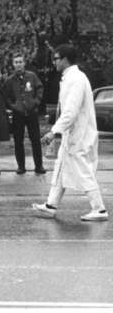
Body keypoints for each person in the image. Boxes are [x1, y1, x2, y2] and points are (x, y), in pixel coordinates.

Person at [33, 44, 108, 221]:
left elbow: (70, 111)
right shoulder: (71, 78)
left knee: (82, 170)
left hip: (79, 134)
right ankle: (51, 205)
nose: (54, 62)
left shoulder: (76, 79)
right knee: (61, 165)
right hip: (73, 133)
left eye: (56, 58)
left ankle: (99, 209)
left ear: (65, 60)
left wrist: (54, 131)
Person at [4, 52, 46, 175]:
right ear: (13, 64)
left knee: (35, 140)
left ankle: (39, 166)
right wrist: (13, 106)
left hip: (32, 112)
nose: (18, 64)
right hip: (18, 114)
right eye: (16, 62)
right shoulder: (10, 80)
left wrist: (36, 102)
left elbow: (39, 88)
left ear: (24, 63)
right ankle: (21, 166)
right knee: (18, 140)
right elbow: (6, 97)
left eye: (20, 62)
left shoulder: (32, 76)